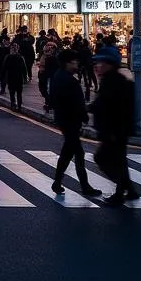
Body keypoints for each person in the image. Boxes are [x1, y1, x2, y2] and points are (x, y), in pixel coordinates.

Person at [49, 50, 102, 197]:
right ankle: (84, 186)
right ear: (67, 63)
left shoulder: (58, 76)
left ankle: (58, 182)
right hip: (71, 120)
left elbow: (53, 98)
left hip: (64, 119)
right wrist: (83, 115)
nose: (77, 64)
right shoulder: (69, 80)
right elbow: (75, 102)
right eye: (74, 62)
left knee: (69, 153)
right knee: (77, 153)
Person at [90, 46, 138, 207]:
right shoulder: (113, 80)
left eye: (100, 62)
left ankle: (121, 189)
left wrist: (110, 130)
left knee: (102, 158)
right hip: (117, 130)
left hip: (114, 130)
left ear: (109, 64)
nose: (97, 66)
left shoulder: (113, 82)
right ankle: (129, 190)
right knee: (120, 160)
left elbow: (111, 107)